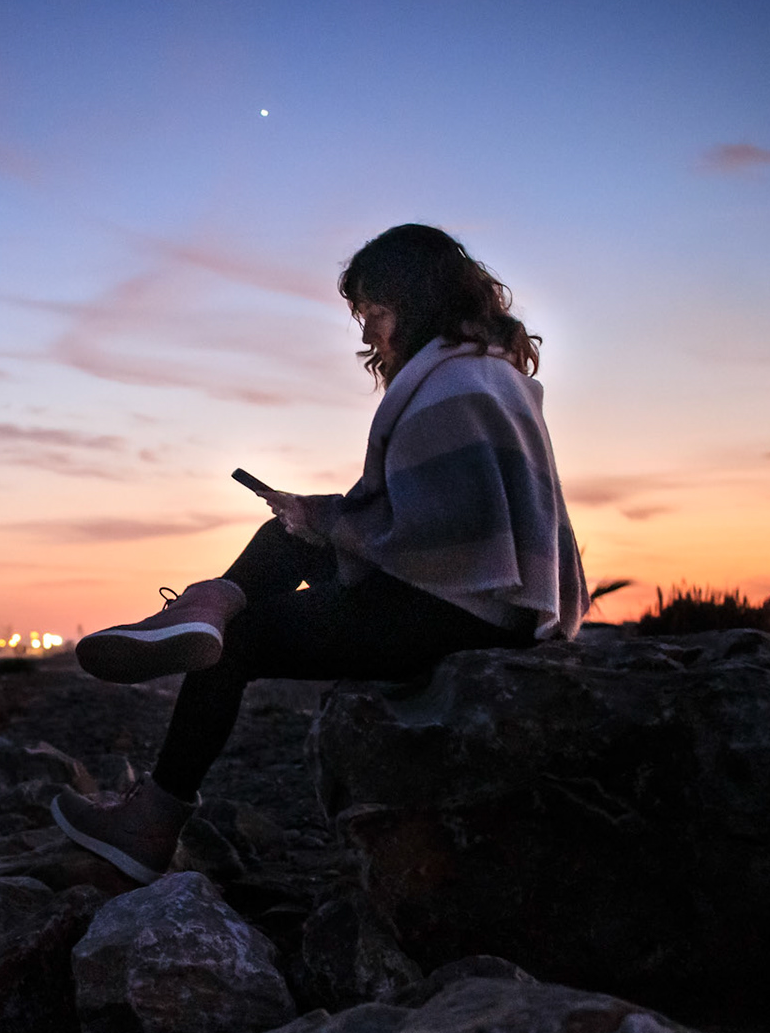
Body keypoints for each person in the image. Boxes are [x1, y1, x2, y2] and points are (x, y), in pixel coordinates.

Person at [52, 223, 587, 886]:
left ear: (416, 298)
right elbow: (431, 521)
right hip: (476, 596)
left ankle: (151, 818)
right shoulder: (483, 372)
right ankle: (207, 605)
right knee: (292, 534)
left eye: (375, 313)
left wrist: (333, 518)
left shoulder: (454, 388)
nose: (367, 335)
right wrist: (323, 517)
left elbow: (437, 542)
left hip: (461, 610)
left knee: (243, 640)